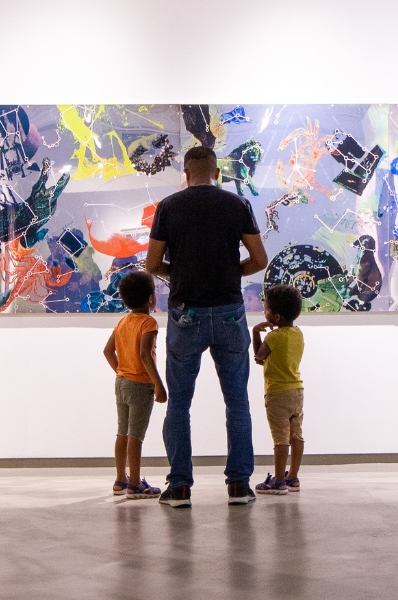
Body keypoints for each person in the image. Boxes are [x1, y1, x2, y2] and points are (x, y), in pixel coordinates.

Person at [145, 145, 268, 508]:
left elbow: (152, 263)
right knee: (237, 402)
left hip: (187, 313)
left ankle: (180, 486)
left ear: (186, 173)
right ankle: (239, 486)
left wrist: (177, 272)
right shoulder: (237, 205)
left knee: (179, 404)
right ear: (216, 173)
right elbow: (259, 259)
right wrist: (233, 272)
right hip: (230, 311)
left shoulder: (168, 207)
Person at [103, 271, 168, 499]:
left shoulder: (123, 321)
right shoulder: (148, 322)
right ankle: (134, 484)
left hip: (121, 383)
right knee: (136, 435)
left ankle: (120, 479)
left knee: (122, 432)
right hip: (140, 385)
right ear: (150, 298)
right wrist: (158, 383)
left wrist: (122, 371)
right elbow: (145, 355)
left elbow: (108, 351)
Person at [252, 284, 305, 495]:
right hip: (297, 390)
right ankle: (293, 477)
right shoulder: (298, 333)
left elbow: (258, 357)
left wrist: (256, 332)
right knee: (296, 435)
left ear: (276, 317)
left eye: (266, 310)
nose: (264, 313)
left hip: (277, 393)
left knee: (280, 438)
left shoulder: (273, 337)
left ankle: (278, 481)